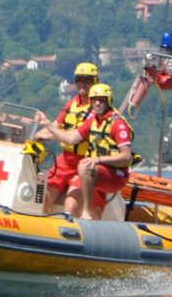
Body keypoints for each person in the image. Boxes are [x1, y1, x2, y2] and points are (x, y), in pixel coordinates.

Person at [41, 81, 134, 220]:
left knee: (85, 166)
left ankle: (86, 212)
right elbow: (70, 139)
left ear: (108, 101)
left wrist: (98, 159)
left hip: (115, 175)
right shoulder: (92, 121)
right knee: (71, 203)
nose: (97, 104)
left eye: (101, 100)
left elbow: (127, 157)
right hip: (95, 171)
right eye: (94, 100)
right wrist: (48, 125)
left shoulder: (118, 124)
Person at [31, 62, 99, 214]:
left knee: (70, 205)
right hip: (65, 160)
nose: (82, 83)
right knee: (43, 196)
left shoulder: (96, 109)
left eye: (87, 79)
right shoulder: (71, 104)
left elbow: (72, 139)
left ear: (95, 82)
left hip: (84, 161)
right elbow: (55, 128)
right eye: (79, 79)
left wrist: (47, 125)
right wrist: (35, 136)